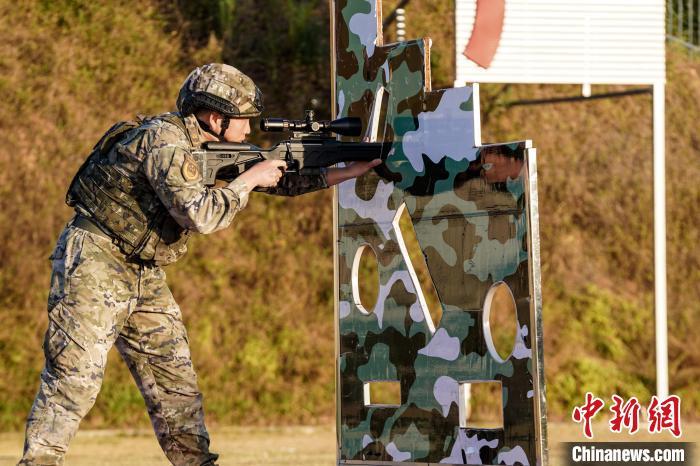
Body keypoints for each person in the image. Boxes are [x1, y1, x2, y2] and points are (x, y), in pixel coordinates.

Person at [19, 63, 381, 466]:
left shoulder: (202, 147)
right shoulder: (165, 142)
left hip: (144, 271)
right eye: (244, 122)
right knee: (74, 379)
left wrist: (345, 171)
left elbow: (278, 179)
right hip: (95, 262)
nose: (249, 130)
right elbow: (201, 215)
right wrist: (249, 180)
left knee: (176, 389)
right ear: (215, 118)